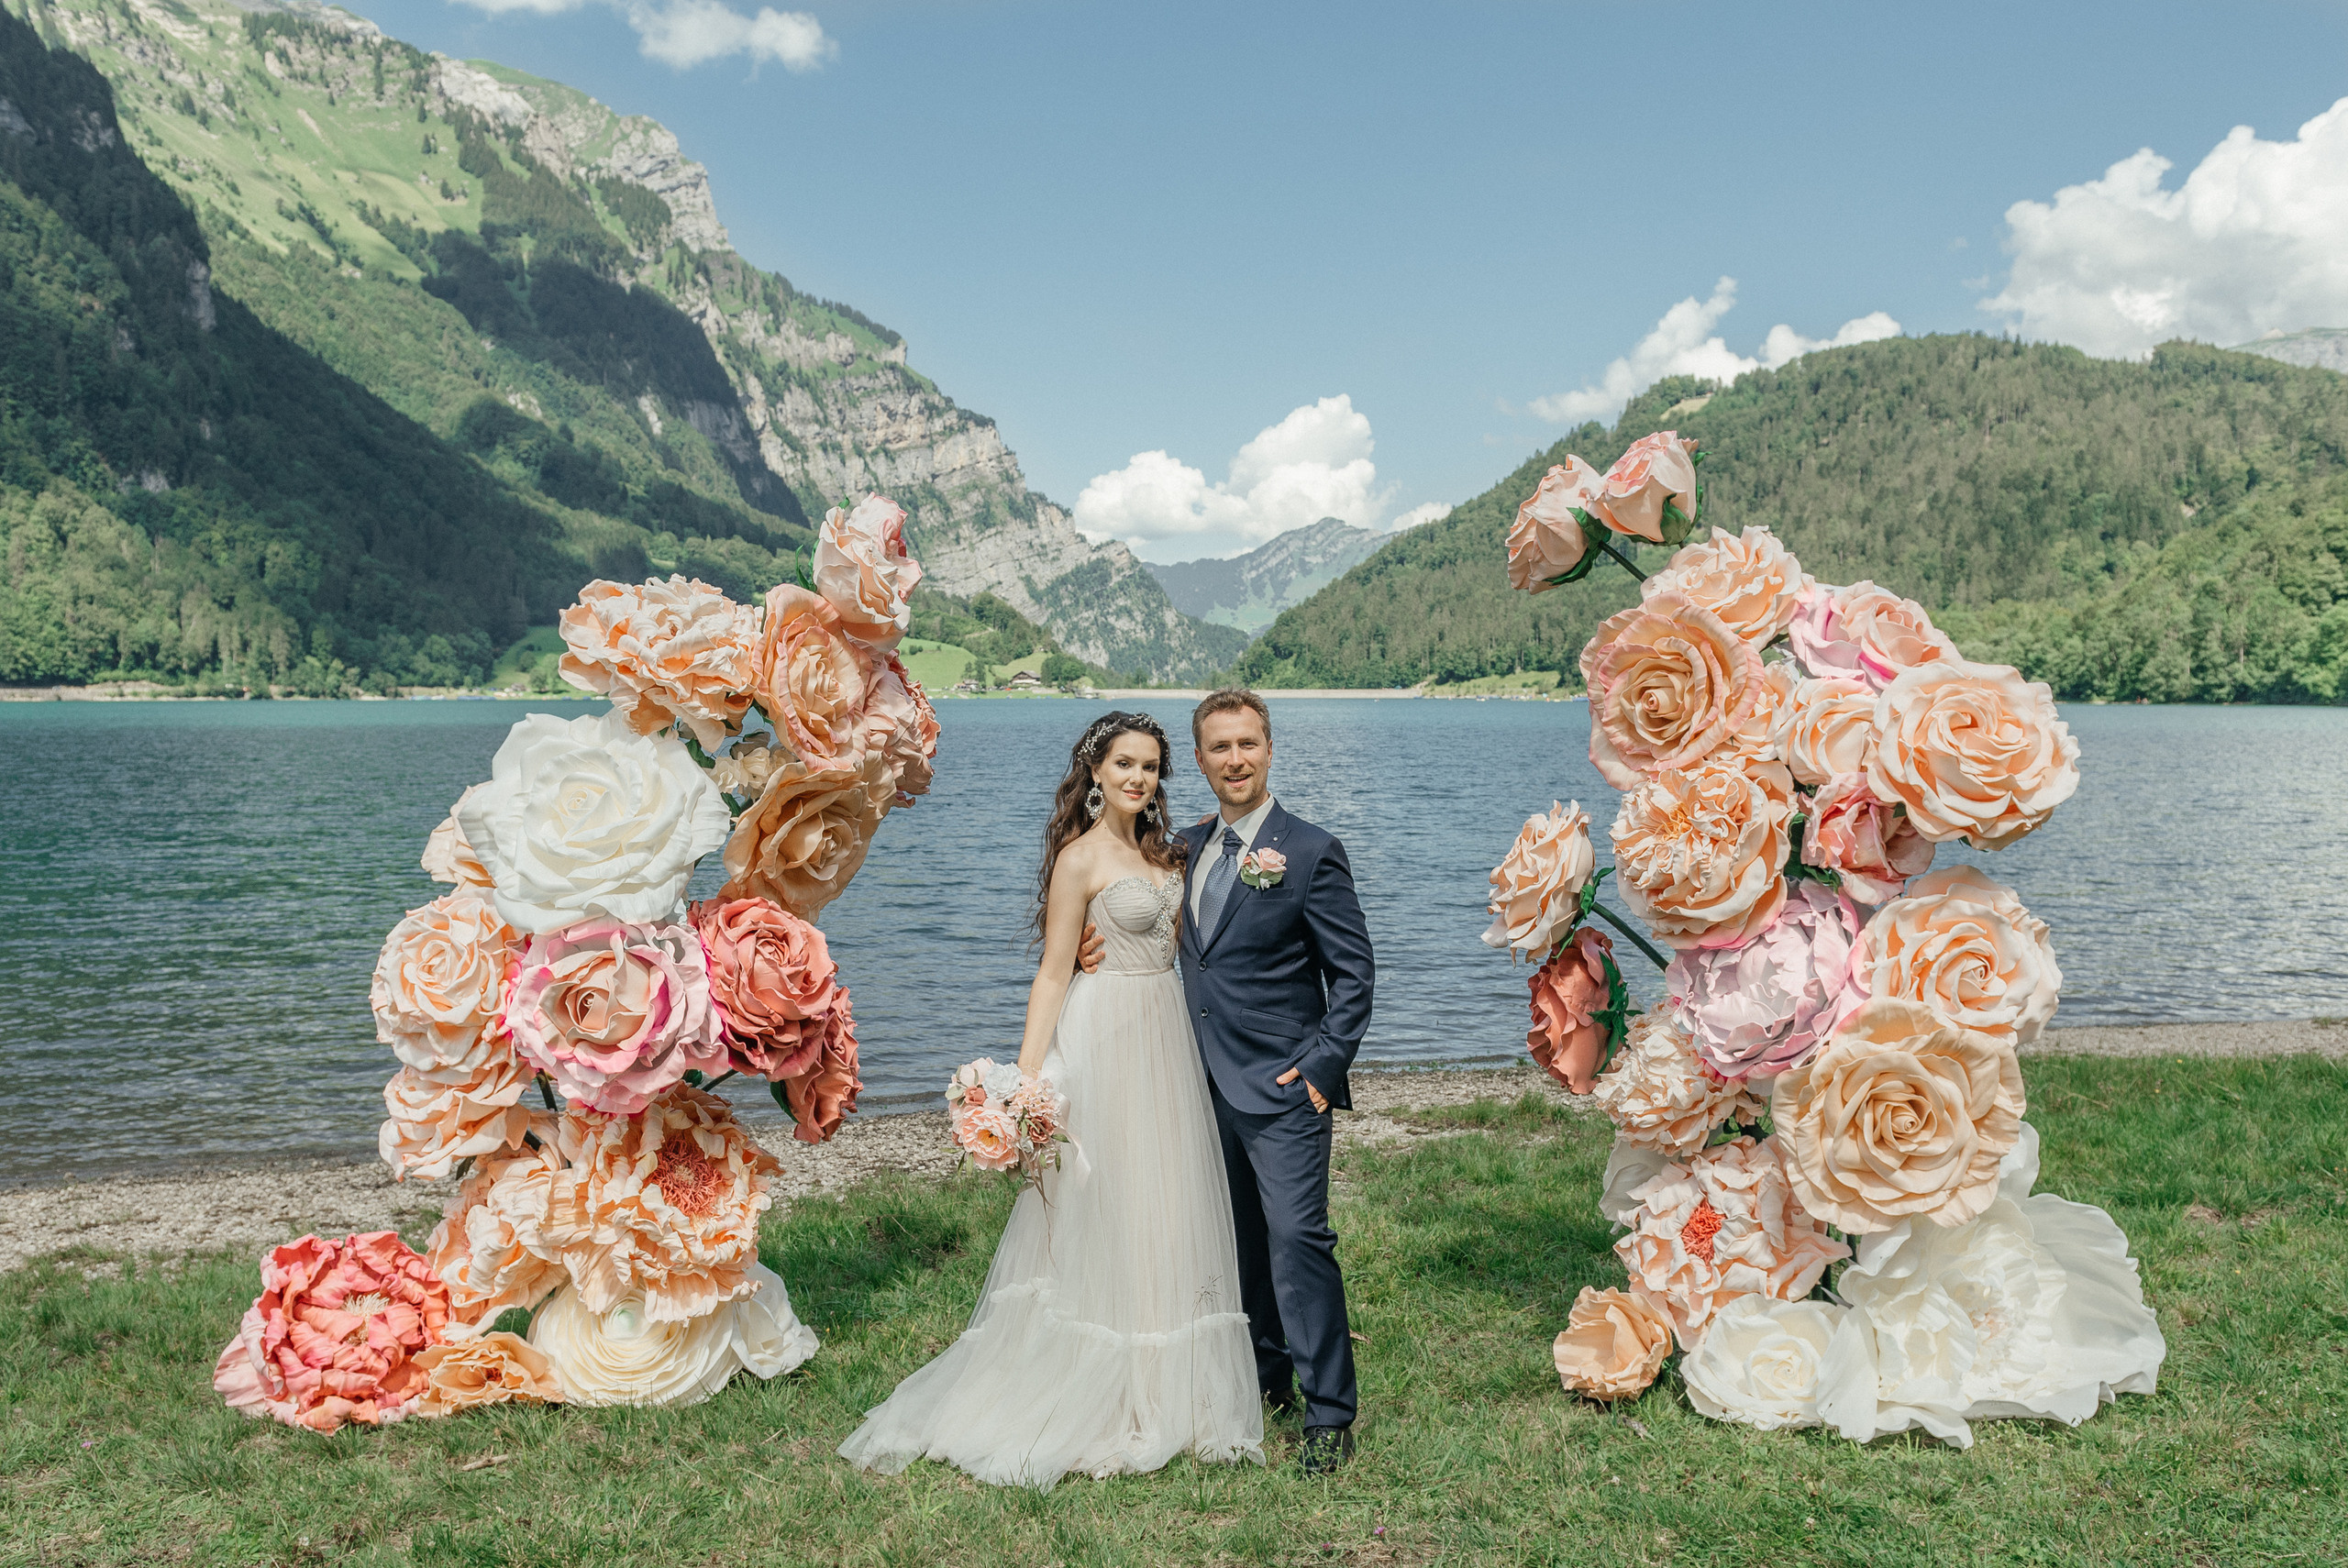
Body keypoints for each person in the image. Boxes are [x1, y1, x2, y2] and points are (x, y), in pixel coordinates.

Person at [837, 712, 1263, 1490]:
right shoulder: (1079, 860)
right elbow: (1053, 974)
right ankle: (1102, 1384)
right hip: (1103, 1037)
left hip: (1166, 1034)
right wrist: (1021, 1086)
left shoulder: (1172, 851)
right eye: (1125, 764)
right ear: (1095, 771)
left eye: (1152, 767)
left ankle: (1172, 1392)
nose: (1139, 778)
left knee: (1163, 1204)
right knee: (1103, 1204)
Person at [1177, 688, 1374, 1474]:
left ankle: (1330, 1413)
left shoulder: (1311, 851)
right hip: (1197, 1084)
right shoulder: (1183, 848)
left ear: (1269, 749)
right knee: (1238, 1241)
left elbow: (1354, 976)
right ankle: (1267, 1377)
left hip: (1286, 1083)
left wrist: (1324, 1067)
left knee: (1299, 1239)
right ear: (1199, 759)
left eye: (1248, 745)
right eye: (1220, 747)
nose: (1235, 760)